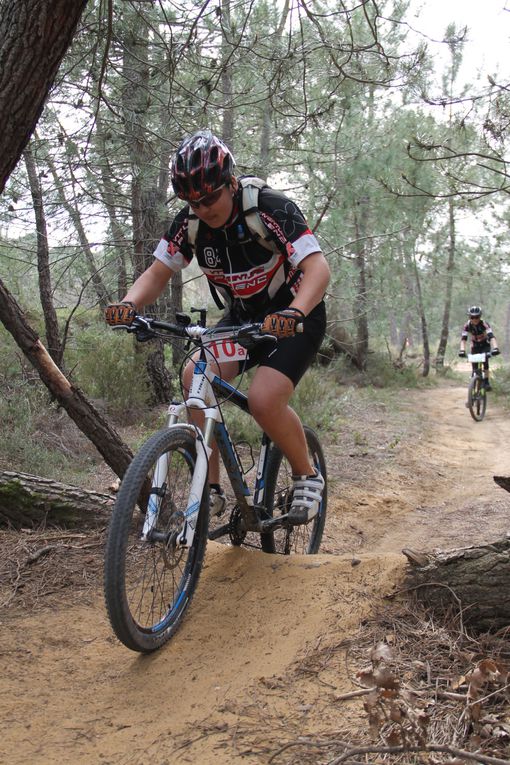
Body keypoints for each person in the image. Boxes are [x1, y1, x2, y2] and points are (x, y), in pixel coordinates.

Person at [105, 129, 330, 526]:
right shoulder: (190, 222)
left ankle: (307, 474)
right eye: (192, 200)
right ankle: (209, 490)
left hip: (296, 315)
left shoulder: (270, 208)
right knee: (196, 374)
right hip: (244, 319)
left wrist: (294, 313)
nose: (202, 207)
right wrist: (129, 304)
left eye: (209, 197)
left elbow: (318, 268)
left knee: (263, 400)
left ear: (230, 183)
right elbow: (158, 272)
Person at [458, 305, 500, 390]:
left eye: (476, 317)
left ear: (480, 317)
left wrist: (495, 348)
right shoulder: (467, 325)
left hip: (485, 345)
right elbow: (463, 339)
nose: (474, 319)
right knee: (474, 367)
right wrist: (462, 350)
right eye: (472, 317)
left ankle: (486, 381)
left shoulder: (484, 324)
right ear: (469, 317)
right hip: (475, 346)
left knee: (485, 363)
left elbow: (491, 337)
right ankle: (473, 383)